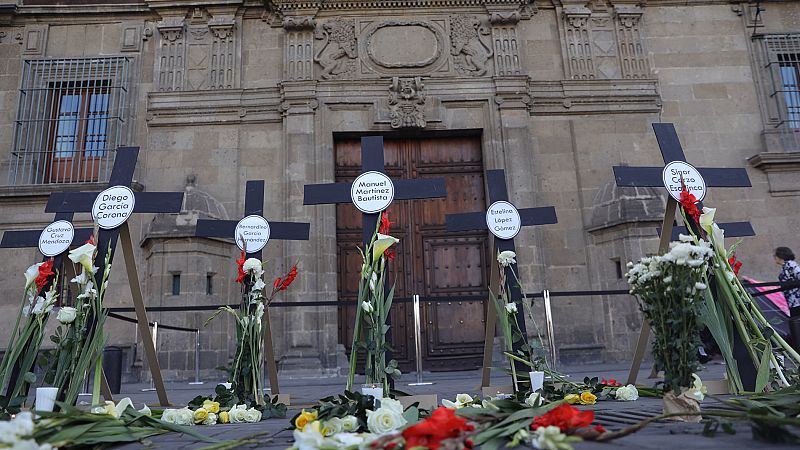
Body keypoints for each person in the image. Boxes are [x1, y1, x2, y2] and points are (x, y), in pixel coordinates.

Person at [775, 247, 800, 317]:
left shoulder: (791, 265)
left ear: (780, 256)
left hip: (797, 301)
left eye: (775, 256)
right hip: (792, 302)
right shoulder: (786, 266)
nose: (775, 258)